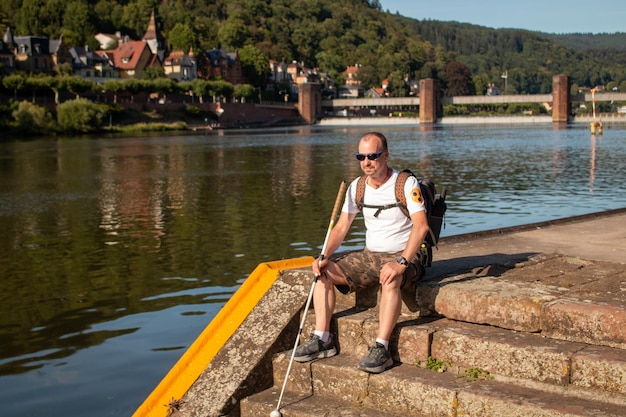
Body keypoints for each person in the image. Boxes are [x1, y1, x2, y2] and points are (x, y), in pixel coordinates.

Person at [293, 132, 430, 373]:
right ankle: (323, 339)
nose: (367, 162)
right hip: (371, 256)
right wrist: (323, 255)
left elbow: (422, 227)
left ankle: (381, 347)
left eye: (373, 156)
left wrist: (400, 263)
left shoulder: (405, 183)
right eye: (361, 156)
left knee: (391, 278)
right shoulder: (357, 187)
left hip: (406, 255)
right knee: (323, 272)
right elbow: (342, 227)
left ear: (385, 156)